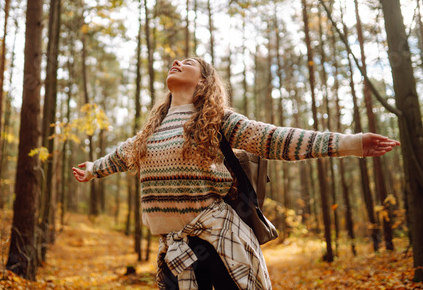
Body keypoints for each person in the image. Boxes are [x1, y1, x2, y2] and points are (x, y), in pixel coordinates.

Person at [72, 57, 399, 290]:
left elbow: (274, 139)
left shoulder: (215, 120)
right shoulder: (149, 133)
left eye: (189, 62)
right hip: (174, 250)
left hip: (220, 242)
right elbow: (117, 158)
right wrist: (91, 170)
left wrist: (349, 143)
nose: (177, 62)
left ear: (202, 82)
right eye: (175, 61)